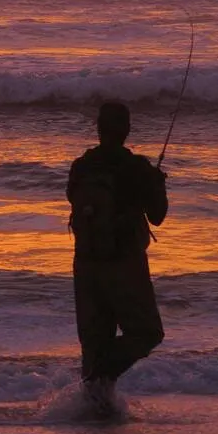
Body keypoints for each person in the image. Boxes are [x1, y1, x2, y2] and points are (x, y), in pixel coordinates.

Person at [66, 101, 168, 415]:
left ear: (98, 129)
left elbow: (74, 201)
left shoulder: (80, 167)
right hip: (124, 265)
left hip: (86, 264)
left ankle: (93, 413)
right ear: (127, 130)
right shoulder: (137, 168)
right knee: (147, 332)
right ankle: (100, 382)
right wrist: (157, 183)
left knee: (94, 345)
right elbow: (158, 216)